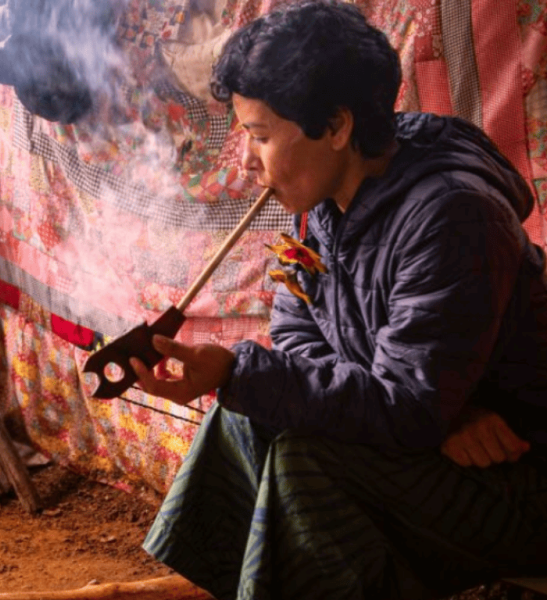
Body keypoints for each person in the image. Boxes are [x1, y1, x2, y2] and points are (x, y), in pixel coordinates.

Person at [130, 1, 547, 599]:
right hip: (437, 446)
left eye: (261, 136)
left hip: (519, 482)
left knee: (308, 458)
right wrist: (440, 416)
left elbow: (404, 408)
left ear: (337, 127)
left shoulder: (452, 216)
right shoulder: (322, 204)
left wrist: (421, 414)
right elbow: (300, 337)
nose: (245, 160)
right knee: (245, 414)